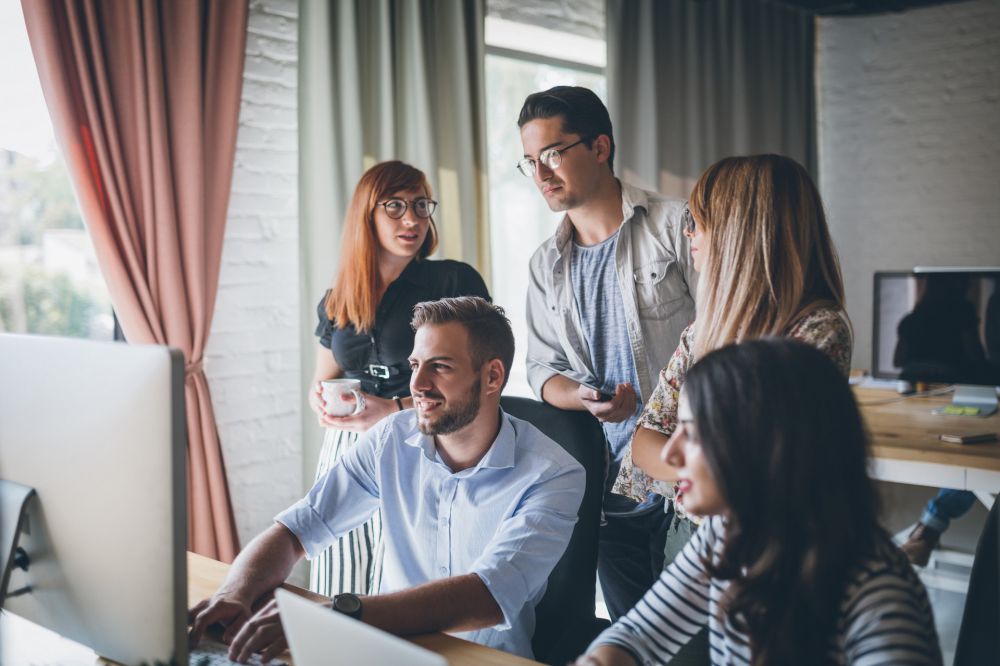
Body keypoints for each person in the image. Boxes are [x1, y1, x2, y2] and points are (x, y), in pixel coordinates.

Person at [189, 297, 585, 662]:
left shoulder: (553, 474)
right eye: (415, 365)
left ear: (493, 376)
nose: (418, 385)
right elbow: (298, 527)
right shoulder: (391, 438)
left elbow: (487, 594)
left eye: (440, 366)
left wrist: (337, 615)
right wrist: (234, 593)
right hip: (382, 647)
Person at [613, 154, 852, 662]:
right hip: (692, 535)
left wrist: (693, 467)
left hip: (772, 549)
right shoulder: (704, 329)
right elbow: (643, 440)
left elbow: (768, 469)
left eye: (697, 221)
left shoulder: (817, 332)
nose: (689, 235)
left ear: (742, 228)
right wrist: (704, 468)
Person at [575, 339, 943, 666]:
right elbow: (638, 634)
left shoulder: (877, 597)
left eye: (693, 432)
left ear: (765, 447)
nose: (670, 454)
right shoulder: (725, 536)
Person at [519, 85, 696, 620]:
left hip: (684, 483)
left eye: (552, 153)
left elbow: (724, 336)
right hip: (605, 490)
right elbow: (539, 370)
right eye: (529, 162)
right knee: (632, 638)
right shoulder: (544, 264)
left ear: (600, 147)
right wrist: (583, 397)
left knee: (693, 647)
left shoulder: (676, 226)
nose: (541, 174)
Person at [306, 160, 489, 597]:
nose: (412, 219)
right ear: (366, 215)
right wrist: (320, 400)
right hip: (345, 448)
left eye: (421, 205)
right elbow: (325, 377)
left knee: (402, 579)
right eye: (395, 206)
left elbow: (476, 378)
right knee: (339, 574)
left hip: (420, 438)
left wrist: (394, 409)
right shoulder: (339, 297)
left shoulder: (452, 280)